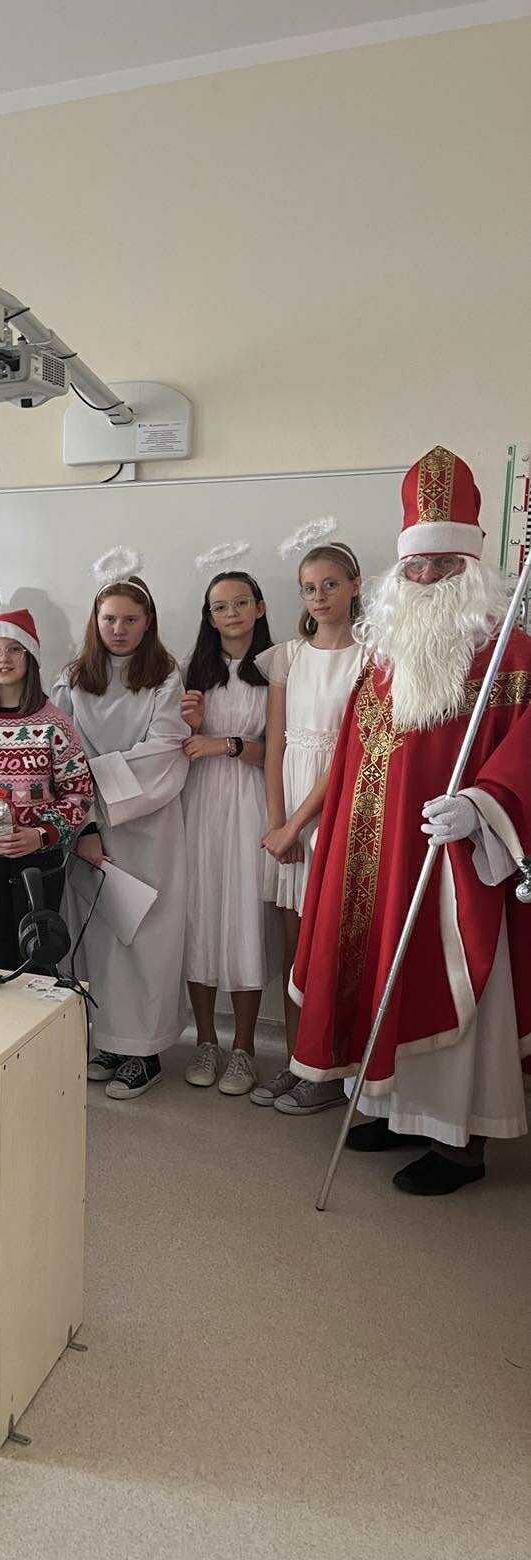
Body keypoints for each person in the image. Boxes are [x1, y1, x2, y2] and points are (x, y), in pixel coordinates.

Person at [288, 447, 530, 1193]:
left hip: (454, 859)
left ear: (472, 567)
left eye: (442, 565)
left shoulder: (509, 653)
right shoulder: (382, 655)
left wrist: (483, 806)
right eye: (415, 566)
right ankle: (395, 1112)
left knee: (446, 985)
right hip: (373, 853)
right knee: (375, 974)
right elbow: (357, 755)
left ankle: (458, 1143)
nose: (425, 578)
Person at [53, 566, 189, 1101]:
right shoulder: (72, 678)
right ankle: (109, 1040)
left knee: (145, 937)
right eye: (109, 619)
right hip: (88, 828)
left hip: (147, 826)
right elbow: (58, 747)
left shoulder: (165, 677)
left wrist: (90, 780)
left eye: (130, 620)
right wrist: (85, 815)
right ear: (96, 620)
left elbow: (165, 750)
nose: (119, 629)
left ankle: (145, 1052)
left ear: (147, 621)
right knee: (99, 938)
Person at [253, 541, 364, 1112]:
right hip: (289, 814)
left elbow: (347, 756)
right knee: (293, 945)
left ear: (354, 585)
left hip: (336, 807)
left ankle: (327, 1068)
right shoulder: (288, 657)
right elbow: (275, 747)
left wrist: (298, 826)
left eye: (330, 584)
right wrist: (278, 826)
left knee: (329, 945)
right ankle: (295, 1061)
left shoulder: (372, 657)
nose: (319, 597)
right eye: (309, 588)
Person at [0, 608, 92, 971]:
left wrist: (40, 835)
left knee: (37, 961)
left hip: (38, 861)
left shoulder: (55, 723)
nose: (3, 659)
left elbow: (79, 794)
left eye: (14, 649)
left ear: (31, 658)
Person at [180, 571, 276, 1096]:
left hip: (251, 799)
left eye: (241, 603)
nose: (231, 614)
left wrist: (228, 745)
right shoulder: (191, 670)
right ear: (209, 616)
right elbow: (175, 746)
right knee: (199, 912)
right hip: (198, 801)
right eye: (220, 607)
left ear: (259, 607)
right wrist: (192, 727)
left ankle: (244, 1048)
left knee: (243, 916)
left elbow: (279, 749)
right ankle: (204, 1040)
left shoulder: (278, 666)